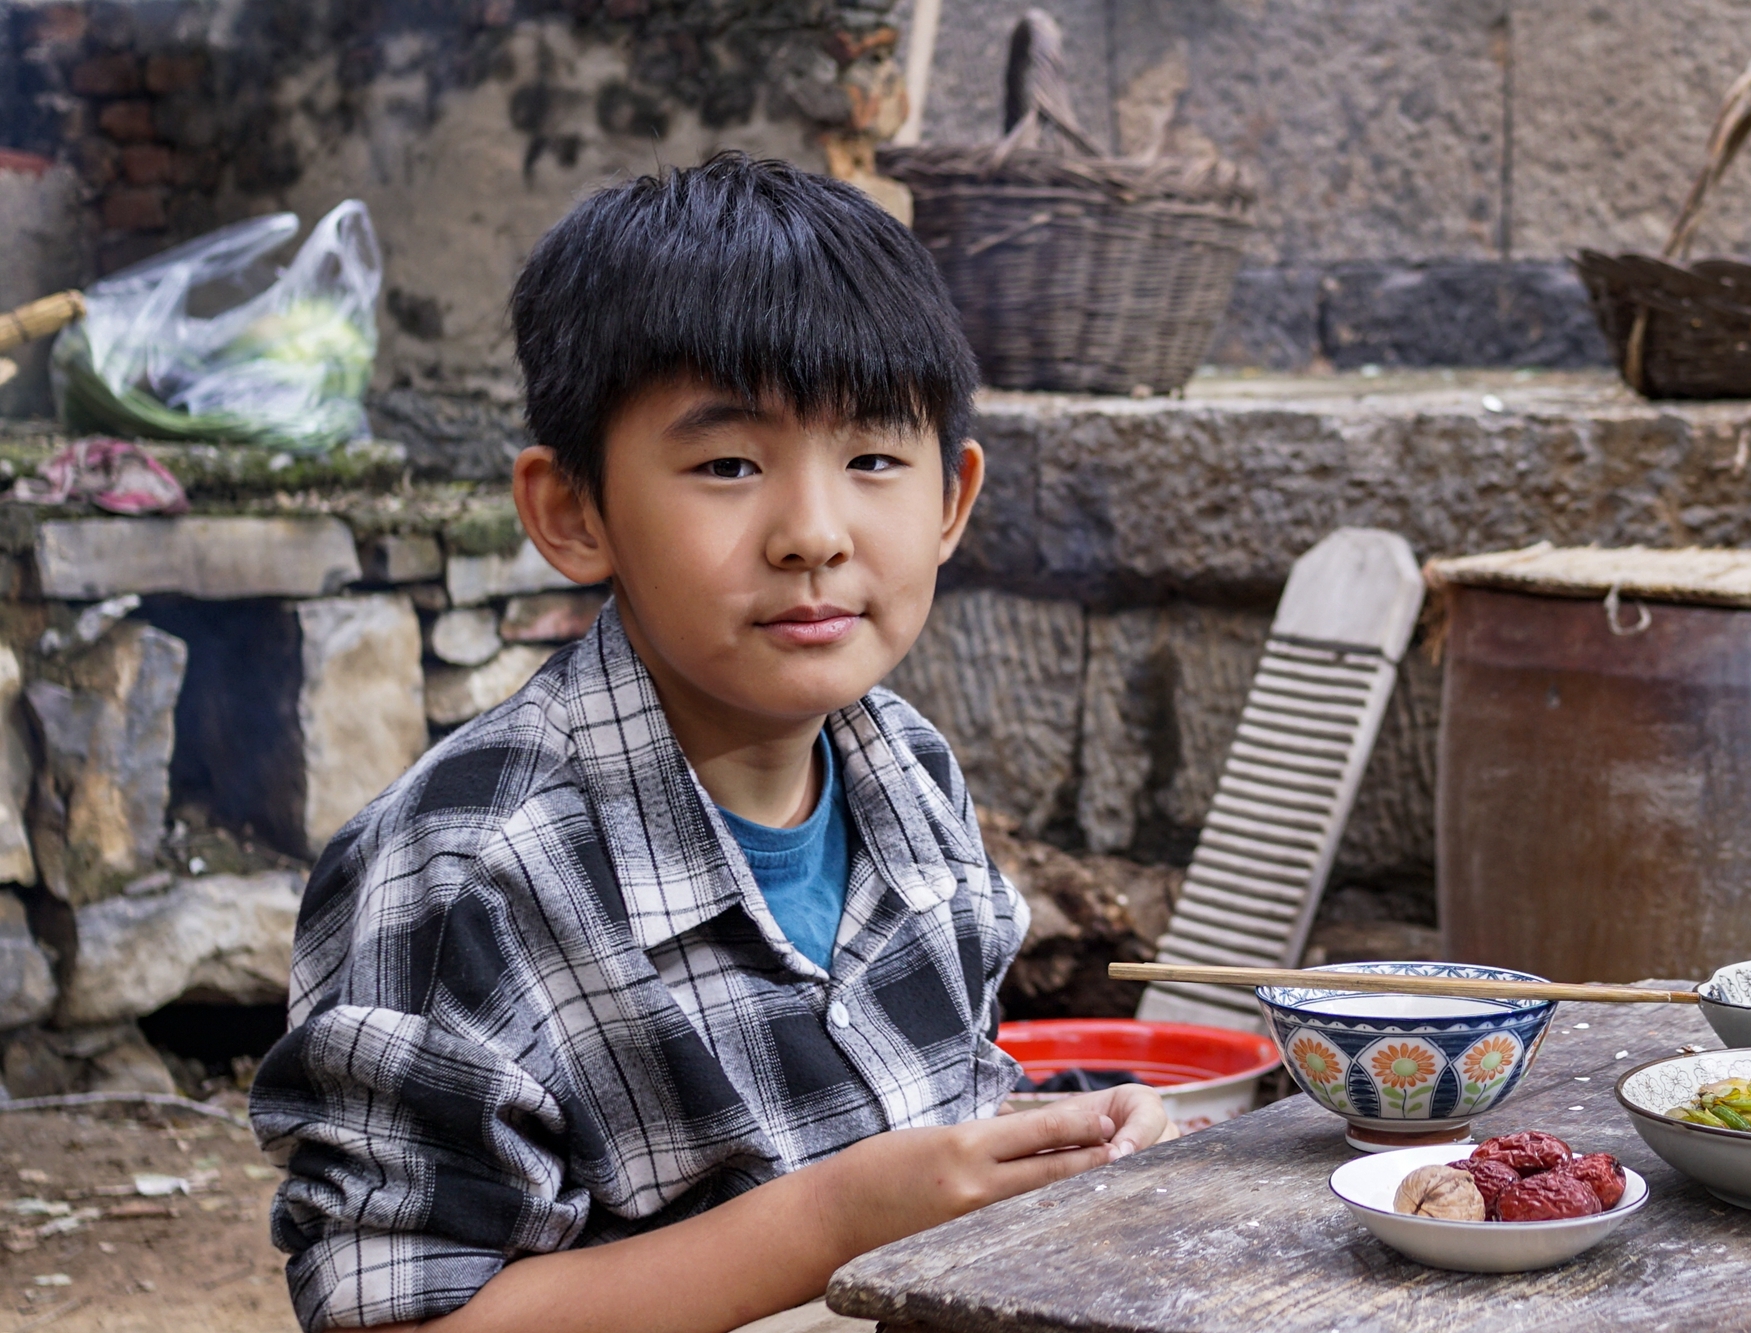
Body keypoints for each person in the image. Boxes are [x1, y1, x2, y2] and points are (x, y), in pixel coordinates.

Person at [247, 152, 1175, 1333]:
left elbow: (952, 1109)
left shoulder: (906, 776)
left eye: (874, 457)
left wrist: (1063, 1143)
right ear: (571, 513)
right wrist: (835, 1225)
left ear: (951, 500)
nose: (813, 533)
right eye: (728, 464)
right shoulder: (468, 872)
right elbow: (402, 1322)